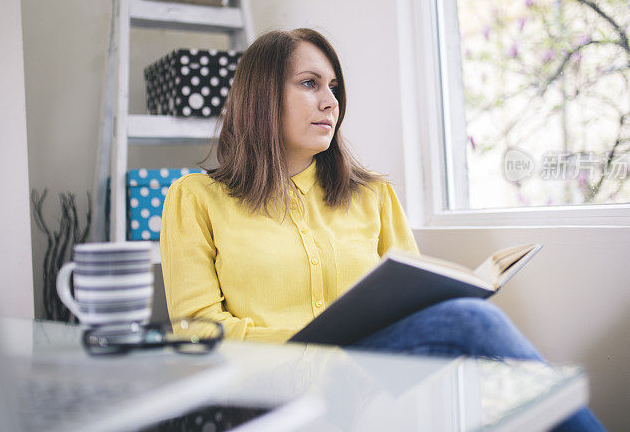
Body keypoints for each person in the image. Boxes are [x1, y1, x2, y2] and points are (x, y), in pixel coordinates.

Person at [160, 28, 604, 431]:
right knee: (473, 322)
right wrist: (321, 343)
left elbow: (411, 307)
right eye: (310, 83)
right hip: (270, 396)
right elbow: (197, 333)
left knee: (467, 327)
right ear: (261, 95)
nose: (330, 102)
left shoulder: (373, 196)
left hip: (372, 386)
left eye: (333, 87)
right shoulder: (196, 198)